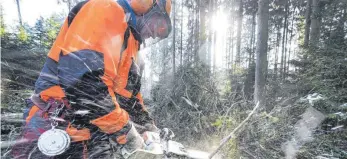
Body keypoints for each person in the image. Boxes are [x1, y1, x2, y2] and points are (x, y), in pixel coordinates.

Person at [11, 0, 172, 158]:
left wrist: (149, 127)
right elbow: (85, 85)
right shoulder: (105, 9)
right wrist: (126, 131)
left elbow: (129, 100)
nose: (153, 34)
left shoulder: (131, 45)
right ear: (147, 4)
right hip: (58, 125)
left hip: (92, 135)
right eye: (158, 25)